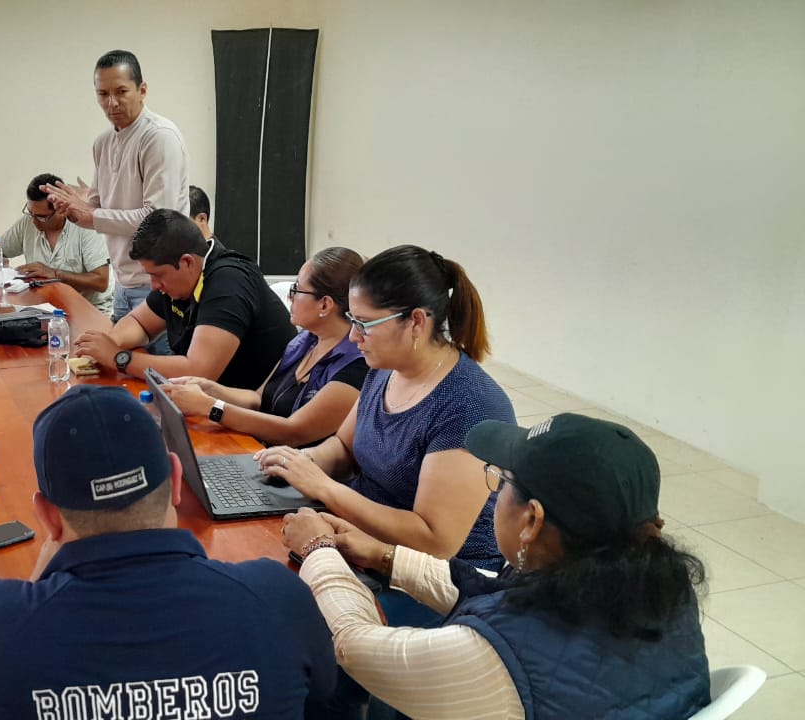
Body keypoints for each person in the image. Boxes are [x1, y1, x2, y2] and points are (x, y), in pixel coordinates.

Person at [0, 385, 339, 719]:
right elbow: (324, 698)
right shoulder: (280, 599)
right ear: (176, 480)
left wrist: (35, 584)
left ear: (47, 517)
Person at [281, 413, 711, 719]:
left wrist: (318, 549)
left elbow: (354, 646)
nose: (495, 493)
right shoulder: (656, 583)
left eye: (503, 482)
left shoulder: (494, 657)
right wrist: (385, 556)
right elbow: (495, 590)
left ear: (532, 520)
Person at [254, 245, 515, 627]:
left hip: (433, 582)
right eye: (352, 319)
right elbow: (343, 447)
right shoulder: (384, 368)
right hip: (363, 542)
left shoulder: (470, 404)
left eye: (364, 323)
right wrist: (303, 461)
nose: (354, 336)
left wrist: (325, 488)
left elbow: (435, 540)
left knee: (289, 619)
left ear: (416, 322)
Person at [45, 50, 188, 345]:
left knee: (155, 372)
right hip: (122, 283)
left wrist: (92, 214)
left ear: (142, 90)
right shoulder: (103, 143)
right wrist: (73, 209)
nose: (111, 103)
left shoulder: (159, 137)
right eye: (103, 94)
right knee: (117, 368)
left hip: (159, 285)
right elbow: (96, 210)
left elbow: (158, 220)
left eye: (121, 92)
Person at [162, 247, 366, 447]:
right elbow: (258, 399)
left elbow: (294, 432)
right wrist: (209, 388)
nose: (290, 297)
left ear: (325, 305)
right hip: (265, 453)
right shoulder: (305, 341)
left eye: (296, 289)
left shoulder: (355, 366)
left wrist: (210, 407)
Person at [73, 209, 294, 390]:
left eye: (158, 275)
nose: (154, 285)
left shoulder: (228, 282)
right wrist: (109, 345)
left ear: (187, 262)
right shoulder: (178, 282)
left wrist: (119, 358)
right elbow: (139, 322)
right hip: (217, 402)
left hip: (266, 411)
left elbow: (198, 371)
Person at [0, 172, 113, 314]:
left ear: (60, 209)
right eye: (30, 213)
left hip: (89, 308)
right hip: (44, 308)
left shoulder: (85, 226)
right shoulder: (28, 222)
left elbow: (101, 281)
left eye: (41, 217)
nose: (33, 221)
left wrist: (55, 274)